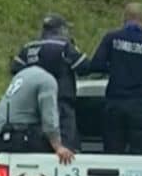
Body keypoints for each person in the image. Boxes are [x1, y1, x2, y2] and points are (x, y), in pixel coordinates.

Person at [82, 2, 142, 154]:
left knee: (113, 153)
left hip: (114, 104)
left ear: (124, 18)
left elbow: (96, 65)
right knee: (139, 154)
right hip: (139, 106)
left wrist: (114, 67)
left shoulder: (111, 38)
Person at [10, 14, 86, 150]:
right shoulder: (64, 47)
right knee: (66, 146)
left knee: (38, 142)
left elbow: (15, 68)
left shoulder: (29, 47)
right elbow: (84, 67)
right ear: (61, 30)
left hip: (34, 106)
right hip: (60, 104)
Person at [0, 66, 75, 163]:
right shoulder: (47, 81)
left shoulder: (24, 74)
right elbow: (49, 120)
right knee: (54, 149)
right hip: (14, 135)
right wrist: (59, 147)